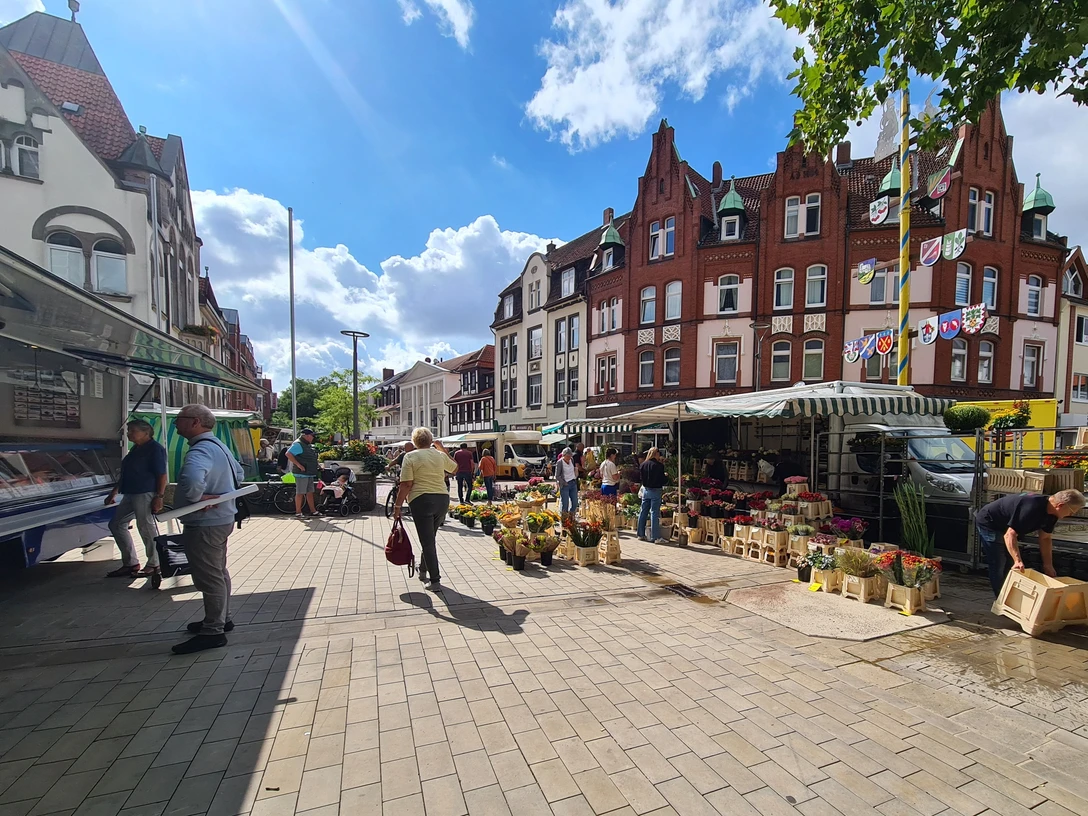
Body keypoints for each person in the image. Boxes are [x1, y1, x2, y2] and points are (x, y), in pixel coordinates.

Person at [171, 404, 245, 654]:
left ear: (195, 422)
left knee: (209, 576)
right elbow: (240, 473)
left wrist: (195, 499)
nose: (175, 424)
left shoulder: (200, 450)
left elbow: (191, 480)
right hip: (222, 519)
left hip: (206, 523)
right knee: (218, 571)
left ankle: (213, 630)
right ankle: (222, 618)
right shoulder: (219, 446)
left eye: (179, 419)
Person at [974, 489, 1085, 595]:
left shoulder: (1052, 515)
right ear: (1060, 505)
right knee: (999, 562)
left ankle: (1012, 596)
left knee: (1009, 563)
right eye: (1071, 512)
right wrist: (1017, 560)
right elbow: (1009, 535)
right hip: (991, 522)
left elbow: (1045, 538)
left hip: (1008, 526)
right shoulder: (1031, 508)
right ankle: (1001, 601)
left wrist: (1048, 565)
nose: (1070, 515)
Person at [394, 427, 457, 590]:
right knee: (429, 537)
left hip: (421, 499)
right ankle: (423, 570)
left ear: (414, 442)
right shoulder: (439, 455)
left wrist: (397, 506)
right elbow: (455, 468)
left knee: (427, 540)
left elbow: (406, 484)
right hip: (442, 499)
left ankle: (435, 580)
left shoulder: (410, 456)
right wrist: (442, 448)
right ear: (431, 440)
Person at [105, 419, 168, 579]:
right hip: (130, 491)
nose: (129, 433)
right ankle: (130, 562)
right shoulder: (135, 449)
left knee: (145, 526)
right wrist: (114, 492)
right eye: (129, 430)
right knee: (116, 524)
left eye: (133, 431)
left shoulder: (154, 449)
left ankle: (155, 563)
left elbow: (162, 474)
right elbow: (127, 472)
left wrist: (159, 496)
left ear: (145, 433)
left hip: (145, 491)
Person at [637, 447, 669, 544]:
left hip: (646, 490)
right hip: (655, 490)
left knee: (643, 511)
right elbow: (662, 480)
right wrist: (666, 476)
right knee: (654, 513)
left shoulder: (643, 465)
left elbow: (641, 478)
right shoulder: (659, 466)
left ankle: (640, 534)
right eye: (659, 453)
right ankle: (656, 537)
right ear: (656, 454)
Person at [285, 428, 319, 517]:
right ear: (307, 436)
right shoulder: (298, 444)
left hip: (308, 472)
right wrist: (298, 465)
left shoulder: (306, 444)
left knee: (310, 492)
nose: (313, 438)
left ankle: (313, 511)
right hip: (301, 473)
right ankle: (298, 512)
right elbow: (288, 454)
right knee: (300, 492)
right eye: (312, 436)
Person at [557, 447, 579, 517]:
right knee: (565, 503)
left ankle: (571, 516)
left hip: (573, 483)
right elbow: (557, 476)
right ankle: (564, 519)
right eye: (567, 456)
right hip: (565, 484)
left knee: (575, 502)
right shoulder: (560, 462)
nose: (569, 458)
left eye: (570, 456)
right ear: (564, 455)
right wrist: (563, 482)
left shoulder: (571, 460)